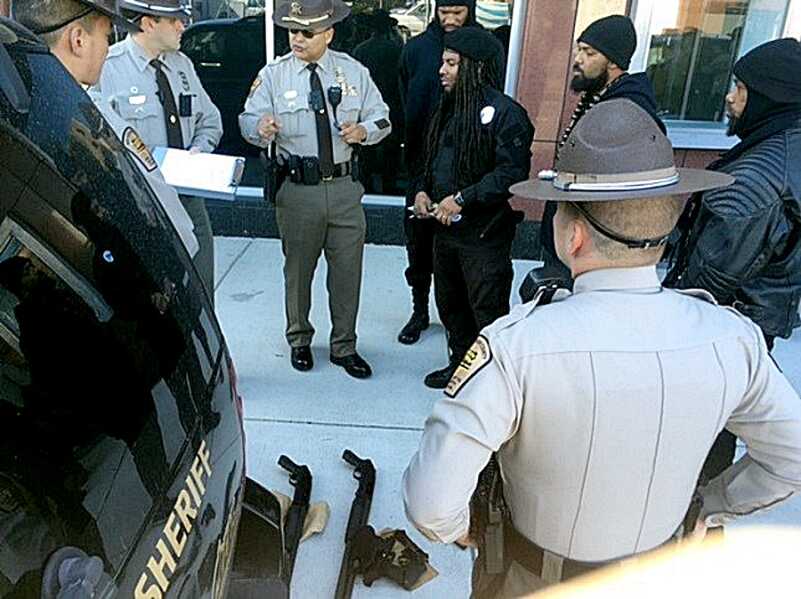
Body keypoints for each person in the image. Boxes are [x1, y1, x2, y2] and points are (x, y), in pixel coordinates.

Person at [403, 99, 801, 597]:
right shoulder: (733, 339)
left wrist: (463, 533)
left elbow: (431, 503)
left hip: (534, 580)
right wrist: (709, 504)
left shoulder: (516, 348)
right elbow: (794, 457)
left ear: (572, 237)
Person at [665, 38, 801, 486]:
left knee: (698, 439)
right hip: (756, 323)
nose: (729, 97)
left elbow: (705, 290)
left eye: (740, 88)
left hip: (722, 331)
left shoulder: (753, 178)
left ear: (768, 96)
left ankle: (691, 517)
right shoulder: (788, 143)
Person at [239, 0, 391, 379]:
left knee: (347, 272)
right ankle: (299, 340)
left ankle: (344, 346)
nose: (297, 38)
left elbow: (383, 117)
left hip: (343, 188)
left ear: (328, 33)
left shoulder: (353, 72)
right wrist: (260, 128)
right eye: (292, 31)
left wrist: (364, 132)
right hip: (297, 190)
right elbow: (246, 118)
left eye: (307, 32)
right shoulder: (274, 75)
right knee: (298, 271)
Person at [13, 0, 199, 258]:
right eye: (106, 36)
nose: (106, 48)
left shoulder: (17, 103)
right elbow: (174, 229)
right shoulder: (91, 113)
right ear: (78, 40)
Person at [411, 27, 533, 388]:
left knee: (487, 309)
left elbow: (511, 173)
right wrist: (421, 191)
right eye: (442, 62)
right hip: (444, 232)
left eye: (451, 64)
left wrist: (462, 198)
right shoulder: (446, 108)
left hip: (484, 235)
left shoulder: (507, 114)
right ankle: (459, 366)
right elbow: (429, 159)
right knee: (450, 305)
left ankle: (493, 380)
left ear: (475, 68)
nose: (441, 70)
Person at [91, 0, 221, 300]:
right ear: (148, 23)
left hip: (189, 201)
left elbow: (211, 121)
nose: (182, 26)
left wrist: (199, 149)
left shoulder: (181, 65)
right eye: (174, 20)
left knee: (201, 293)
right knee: (151, 296)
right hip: (142, 204)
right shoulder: (107, 68)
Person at [397, 0, 505, 345]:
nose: (451, 19)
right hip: (423, 162)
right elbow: (403, 99)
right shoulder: (415, 50)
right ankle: (418, 311)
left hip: (466, 169)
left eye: (458, 12)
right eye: (445, 12)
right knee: (418, 247)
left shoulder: (482, 48)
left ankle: (461, 325)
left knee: (458, 255)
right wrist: (416, 179)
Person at [538, 15, 665, 283]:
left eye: (589, 53)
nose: (578, 59)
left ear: (613, 61)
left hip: (594, 238)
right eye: (579, 49)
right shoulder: (598, 95)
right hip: (574, 229)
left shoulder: (628, 109)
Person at [352, 10, 404, 195]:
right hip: (391, 101)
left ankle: (366, 183)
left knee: (367, 147)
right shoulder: (396, 49)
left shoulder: (361, 49)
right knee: (391, 147)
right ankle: (389, 183)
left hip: (366, 104)